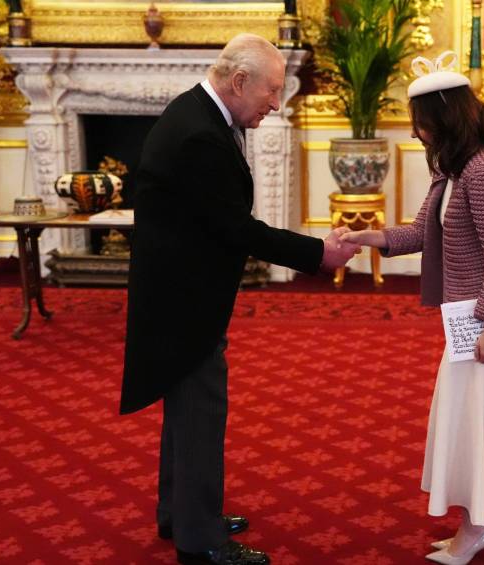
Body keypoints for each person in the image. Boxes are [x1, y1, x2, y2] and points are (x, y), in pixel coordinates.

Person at [120, 33, 359, 565]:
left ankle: (181, 513)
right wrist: (319, 253)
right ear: (239, 81)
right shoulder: (200, 135)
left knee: (185, 413)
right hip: (185, 305)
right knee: (200, 413)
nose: (275, 105)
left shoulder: (197, 114)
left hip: (176, 294)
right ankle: (201, 541)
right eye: (272, 92)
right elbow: (236, 229)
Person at [340, 51, 484, 564]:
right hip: (466, 318)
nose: (414, 134)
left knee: (480, 423)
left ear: (442, 118)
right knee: (467, 422)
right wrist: (368, 235)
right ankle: (478, 526)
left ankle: (479, 528)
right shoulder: (452, 172)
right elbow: (421, 233)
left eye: (419, 124)